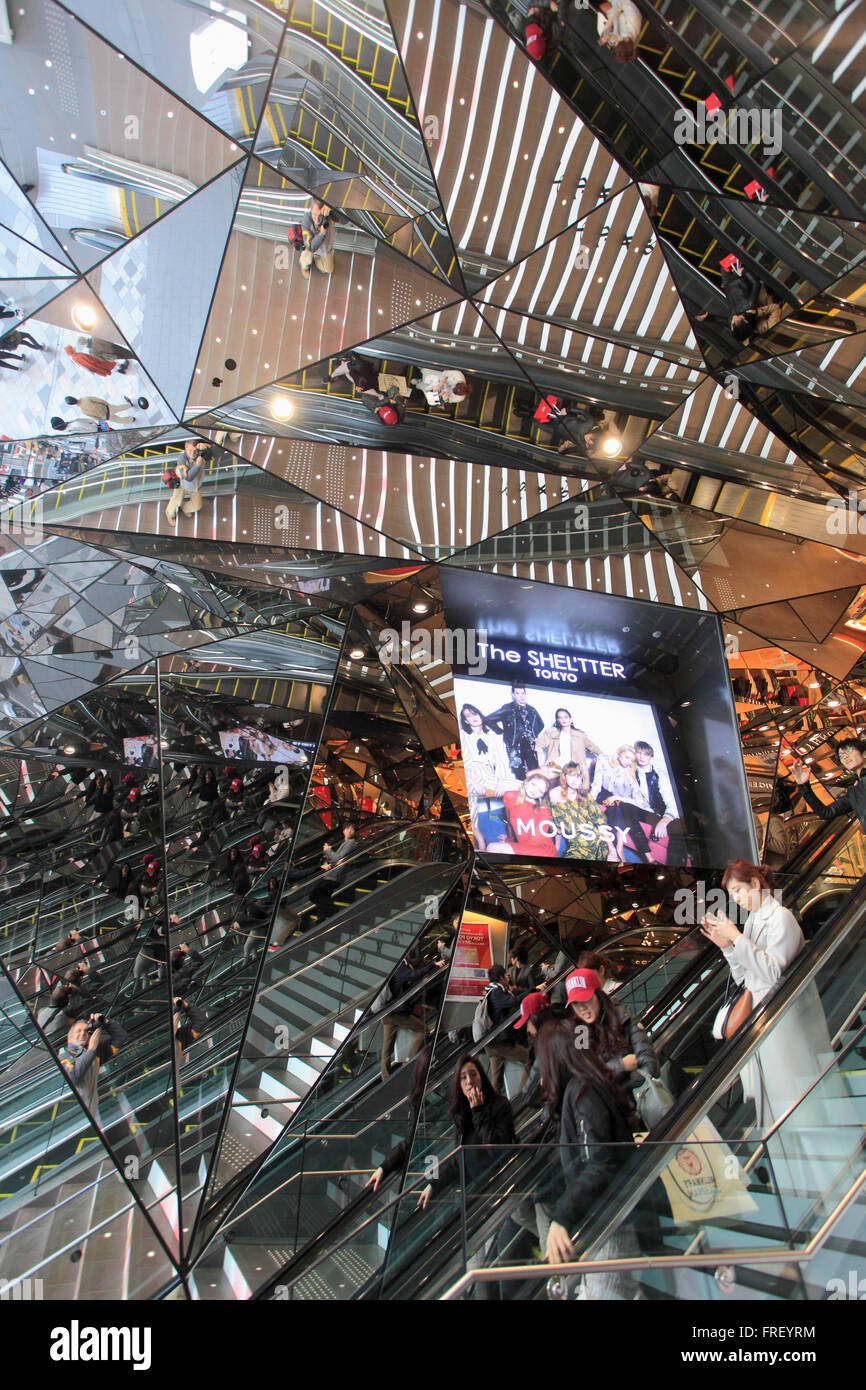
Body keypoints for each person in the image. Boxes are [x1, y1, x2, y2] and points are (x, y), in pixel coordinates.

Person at [700, 859, 836, 1128]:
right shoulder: (752, 922)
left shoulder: (780, 918)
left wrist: (737, 939)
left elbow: (774, 974)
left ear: (756, 883)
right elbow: (746, 978)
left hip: (784, 1025)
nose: (737, 899)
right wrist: (728, 946)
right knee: (775, 1113)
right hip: (763, 1024)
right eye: (733, 895)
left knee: (797, 1112)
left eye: (739, 891)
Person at [536, 1020, 642, 1297]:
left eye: (542, 1063)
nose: (540, 1076)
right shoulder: (583, 1087)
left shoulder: (583, 1093)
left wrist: (562, 1217)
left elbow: (599, 1161)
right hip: (604, 1220)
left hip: (612, 1225)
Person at [417, 1053, 515, 1209]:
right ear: (459, 1085)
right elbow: (460, 1158)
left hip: (501, 1188)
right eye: (463, 1078)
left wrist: (479, 1111)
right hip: (476, 1192)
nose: (469, 1081)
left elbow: (495, 1148)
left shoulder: (500, 1105)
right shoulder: (462, 1114)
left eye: (473, 1074)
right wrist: (434, 1184)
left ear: (481, 1077)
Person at [566, 967, 659, 1092]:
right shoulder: (580, 1032)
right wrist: (622, 1065)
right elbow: (585, 1079)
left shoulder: (623, 1016)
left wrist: (610, 1086)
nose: (582, 1008)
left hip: (641, 1101)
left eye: (586, 999)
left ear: (598, 995)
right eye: (575, 1003)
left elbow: (650, 1065)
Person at [459, 703, 517, 848]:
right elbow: (462, 764)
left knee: (522, 786)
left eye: (475, 714)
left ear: (480, 715)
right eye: (469, 716)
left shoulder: (490, 735)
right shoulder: (463, 735)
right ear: (466, 721)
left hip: (490, 775)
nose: (473, 718)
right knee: (469, 795)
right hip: (471, 775)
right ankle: (478, 840)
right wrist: (474, 783)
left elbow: (500, 761)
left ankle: (515, 833)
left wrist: (501, 782)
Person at [590, 745, 655, 863]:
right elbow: (596, 784)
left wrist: (618, 797)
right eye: (626, 757)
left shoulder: (630, 771)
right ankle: (614, 848)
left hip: (618, 802)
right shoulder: (604, 760)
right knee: (617, 804)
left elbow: (638, 800)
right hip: (602, 794)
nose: (628, 762)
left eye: (632, 760)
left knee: (618, 805)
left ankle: (616, 848)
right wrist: (590, 801)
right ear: (619, 753)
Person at [58, 1013, 126, 1118]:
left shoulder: (94, 1052)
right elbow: (73, 1079)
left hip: (91, 1113)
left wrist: (106, 1022)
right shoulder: (63, 1056)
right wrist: (91, 1050)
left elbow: (120, 1037)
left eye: (86, 1031)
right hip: (71, 1116)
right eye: (78, 1031)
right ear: (69, 1038)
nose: (83, 1033)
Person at [792, 738, 866, 832]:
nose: (845, 756)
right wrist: (803, 785)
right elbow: (826, 812)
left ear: (864, 753)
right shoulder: (854, 792)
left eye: (849, 750)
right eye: (841, 755)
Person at [632, 740, 687, 865]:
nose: (641, 757)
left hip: (665, 812)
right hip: (646, 811)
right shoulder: (631, 771)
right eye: (638, 753)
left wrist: (665, 820)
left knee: (677, 827)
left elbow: (672, 804)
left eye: (645, 754)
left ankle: (675, 868)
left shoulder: (659, 775)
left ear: (651, 757)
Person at [549, 762, 618, 861]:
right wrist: (557, 847)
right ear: (564, 776)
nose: (574, 780)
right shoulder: (555, 794)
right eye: (571, 776)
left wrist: (612, 851)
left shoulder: (585, 796)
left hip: (599, 841)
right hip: (578, 845)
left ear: (582, 780)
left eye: (578, 777)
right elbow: (556, 823)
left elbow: (600, 822)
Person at [380, 951, 428, 1079]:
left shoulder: (397, 965)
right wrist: (433, 965)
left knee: (387, 1048)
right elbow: (413, 976)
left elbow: (415, 965)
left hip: (386, 1012)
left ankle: (385, 1078)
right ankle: (409, 1062)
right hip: (396, 1013)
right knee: (423, 1030)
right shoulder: (400, 967)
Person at [483, 964, 530, 1093]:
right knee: (528, 1058)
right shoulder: (496, 993)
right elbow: (511, 1002)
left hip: (491, 1043)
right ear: (501, 978)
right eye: (505, 975)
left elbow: (512, 996)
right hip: (499, 1043)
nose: (508, 977)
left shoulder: (492, 990)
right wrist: (529, 993)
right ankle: (524, 1094)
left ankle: (492, 1109)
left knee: (496, 1082)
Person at [487, 685, 544, 781]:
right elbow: (488, 719)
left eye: (523, 693)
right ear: (513, 695)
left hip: (531, 745)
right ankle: (522, 793)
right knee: (518, 772)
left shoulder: (532, 710)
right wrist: (500, 731)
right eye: (518, 693)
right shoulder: (508, 708)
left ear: (526, 694)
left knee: (534, 771)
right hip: (515, 745)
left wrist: (533, 735)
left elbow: (541, 724)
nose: (521, 696)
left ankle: (535, 794)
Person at [535, 709, 601, 786]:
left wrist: (605, 759)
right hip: (557, 764)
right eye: (560, 717)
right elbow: (539, 744)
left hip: (575, 767)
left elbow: (594, 748)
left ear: (570, 719)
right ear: (558, 720)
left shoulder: (580, 735)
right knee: (536, 778)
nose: (563, 720)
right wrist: (541, 764)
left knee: (582, 788)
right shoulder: (552, 732)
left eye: (565, 717)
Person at [502, 769, 559, 857]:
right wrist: (509, 839)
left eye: (540, 791)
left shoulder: (543, 811)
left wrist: (510, 847)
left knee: (493, 848)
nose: (534, 791)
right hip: (525, 848)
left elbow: (534, 842)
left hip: (543, 850)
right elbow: (510, 820)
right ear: (526, 783)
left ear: (542, 795)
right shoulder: (510, 797)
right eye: (533, 785)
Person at [309, 822, 357, 918]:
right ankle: (323, 918)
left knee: (317, 894)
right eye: (349, 828)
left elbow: (338, 858)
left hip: (335, 876)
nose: (351, 831)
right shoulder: (345, 843)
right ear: (343, 831)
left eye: (353, 829)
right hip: (332, 874)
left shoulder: (351, 843)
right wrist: (330, 857)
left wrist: (328, 850)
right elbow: (337, 858)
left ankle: (334, 912)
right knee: (322, 897)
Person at [165, 440, 206, 523]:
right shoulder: (182, 458)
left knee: (197, 505)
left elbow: (216, 453)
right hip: (182, 485)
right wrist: (198, 465)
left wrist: (206, 446)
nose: (192, 453)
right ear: (185, 448)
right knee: (175, 502)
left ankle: (185, 508)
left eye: (194, 450)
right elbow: (187, 477)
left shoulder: (201, 453)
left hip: (195, 485)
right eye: (190, 450)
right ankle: (169, 514)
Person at [300, 198, 336, 277]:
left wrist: (332, 209)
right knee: (305, 260)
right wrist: (322, 234)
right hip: (311, 248)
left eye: (319, 215)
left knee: (328, 269)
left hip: (325, 247)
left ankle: (318, 262)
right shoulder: (307, 219)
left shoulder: (328, 214)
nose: (316, 219)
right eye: (314, 214)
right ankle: (304, 267)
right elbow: (311, 247)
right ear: (311, 209)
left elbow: (343, 220)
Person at [62, 395, 138, 423]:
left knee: (119, 420)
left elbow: (94, 417)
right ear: (74, 397)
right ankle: (130, 405)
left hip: (105, 416)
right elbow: (99, 400)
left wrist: (103, 419)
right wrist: (107, 404)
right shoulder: (86, 398)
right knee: (119, 408)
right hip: (107, 408)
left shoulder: (82, 410)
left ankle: (131, 420)